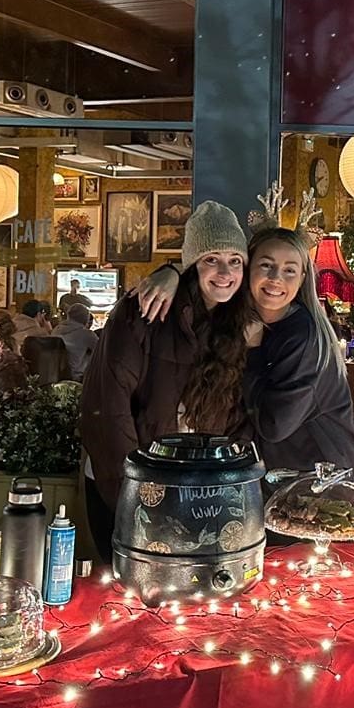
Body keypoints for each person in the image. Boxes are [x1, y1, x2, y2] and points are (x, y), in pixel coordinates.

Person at [81, 201, 251, 558]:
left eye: (234, 261)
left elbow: (231, 416)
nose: (224, 272)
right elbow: (107, 407)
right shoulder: (145, 309)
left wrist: (228, 488)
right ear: (192, 265)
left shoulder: (233, 326)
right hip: (128, 483)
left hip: (192, 490)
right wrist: (133, 495)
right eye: (211, 259)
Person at [236, 227, 354, 478]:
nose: (276, 277)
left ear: (303, 277)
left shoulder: (303, 335)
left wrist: (252, 352)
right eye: (266, 265)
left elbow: (275, 425)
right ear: (248, 268)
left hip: (321, 483)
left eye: (289, 270)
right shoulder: (244, 324)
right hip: (280, 478)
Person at [56, 303, 99, 380]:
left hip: (56, 374)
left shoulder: (56, 329)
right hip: (77, 377)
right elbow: (102, 351)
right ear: (86, 318)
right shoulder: (87, 334)